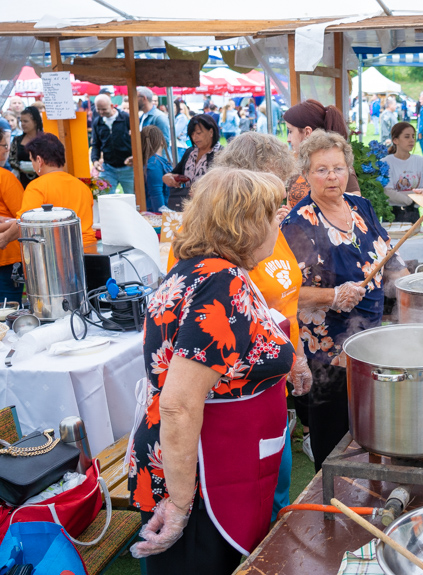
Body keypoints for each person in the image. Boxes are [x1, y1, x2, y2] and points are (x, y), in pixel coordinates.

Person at [127, 167, 294, 574]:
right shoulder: (223, 283)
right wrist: (181, 505)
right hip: (202, 474)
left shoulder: (202, 269)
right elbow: (179, 405)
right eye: (273, 215)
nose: (279, 223)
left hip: (207, 462)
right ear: (247, 223)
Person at [282, 130, 409, 471]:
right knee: (333, 434)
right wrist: (332, 296)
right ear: (306, 174)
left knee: (372, 425)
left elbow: (387, 257)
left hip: (370, 338)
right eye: (321, 169)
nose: (332, 177)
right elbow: (285, 293)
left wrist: (408, 282)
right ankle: (330, 497)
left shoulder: (360, 206)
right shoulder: (298, 224)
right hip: (327, 349)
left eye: (338, 168)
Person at [208, 133, 310, 521]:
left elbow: (286, 303)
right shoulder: (223, 239)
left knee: (277, 487)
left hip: (272, 382)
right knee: (252, 499)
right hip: (239, 393)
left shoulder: (268, 223)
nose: (281, 198)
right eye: (273, 185)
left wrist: (295, 357)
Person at [1, 133, 95, 245]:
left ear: (39, 161)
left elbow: (24, 222)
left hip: (59, 252)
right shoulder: (81, 186)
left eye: (32, 161)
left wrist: (4, 238)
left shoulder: (37, 187)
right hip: (89, 248)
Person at [282, 99, 361, 209]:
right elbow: (291, 207)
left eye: (290, 131)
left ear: (307, 132)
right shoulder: (295, 164)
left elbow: (355, 209)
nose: (288, 139)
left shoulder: (339, 168)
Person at [162, 114, 221, 211]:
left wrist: (203, 192)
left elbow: (226, 186)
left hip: (211, 209)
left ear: (211, 132)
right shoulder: (190, 152)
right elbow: (176, 172)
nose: (195, 137)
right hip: (188, 207)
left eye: (198, 133)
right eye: (192, 134)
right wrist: (168, 177)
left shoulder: (221, 154)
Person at [382, 122, 423, 223]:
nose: (411, 140)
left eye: (413, 136)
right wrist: (411, 200)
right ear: (395, 140)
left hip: (414, 213)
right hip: (392, 214)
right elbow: (388, 192)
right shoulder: (386, 162)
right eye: (407, 137)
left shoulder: (421, 161)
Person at [91, 94, 134, 195]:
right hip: (108, 168)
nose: (101, 112)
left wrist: (134, 156)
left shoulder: (126, 118)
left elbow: (137, 140)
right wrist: (95, 160)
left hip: (129, 168)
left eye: (104, 109)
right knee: (103, 197)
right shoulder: (97, 122)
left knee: (134, 198)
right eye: (98, 109)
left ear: (111, 106)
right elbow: (96, 144)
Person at [0, 128, 24, 304]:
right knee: (8, 311)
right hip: (7, 256)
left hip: (7, 259)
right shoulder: (5, 178)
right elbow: (24, 219)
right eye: (4, 145)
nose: (7, 149)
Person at [8, 106, 43, 189]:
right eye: (21, 121)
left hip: (42, 182)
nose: (22, 124)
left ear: (35, 122)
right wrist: (21, 166)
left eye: (26, 121)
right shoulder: (17, 140)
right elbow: (11, 160)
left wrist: (37, 167)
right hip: (22, 183)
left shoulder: (45, 140)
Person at [141, 126, 172, 212]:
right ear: (161, 141)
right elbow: (156, 194)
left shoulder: (154, 161)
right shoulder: (154, 164)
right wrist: (161, 217)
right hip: (157, 216)